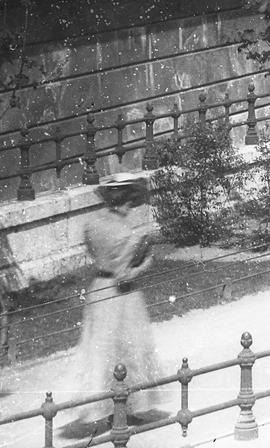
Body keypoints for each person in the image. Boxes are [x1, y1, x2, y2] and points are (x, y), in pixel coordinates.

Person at [59, 172, 165, 437]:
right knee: (128, 345)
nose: (132, 206)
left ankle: (107, 407)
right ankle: (126, 407)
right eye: (131, 201)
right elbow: (126, 272)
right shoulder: (129, 233)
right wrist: (147, 256)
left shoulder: (93, 224)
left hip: (99, 288)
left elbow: (95, 253)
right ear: (126, 200)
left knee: (101, 347)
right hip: (123, 294)